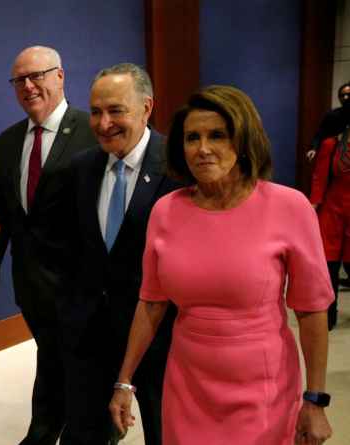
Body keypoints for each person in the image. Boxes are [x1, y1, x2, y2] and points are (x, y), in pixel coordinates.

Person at [109, 85, 334, 445]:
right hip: (187, 384)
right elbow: (151, 303)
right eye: (192, 138)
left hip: (263, 388)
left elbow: (312, 311)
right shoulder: (166, 211)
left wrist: (315, 400)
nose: (202, 149)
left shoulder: (290, 207)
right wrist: (124, 381)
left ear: (243, 142)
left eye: (218, 135)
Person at [61, 64, 180, 445]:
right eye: (95, 111)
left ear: (147, 108)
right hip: (92, 339)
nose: (103, 122)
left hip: (163, 341)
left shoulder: (180, 169)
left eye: (116, 110)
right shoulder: (80, 169)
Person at [0, 45, 96, 445]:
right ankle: (49, 427)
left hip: (82, 289)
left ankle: (76, 431)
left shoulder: (92, 131)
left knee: (81, 366)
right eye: (20, 80)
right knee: (51, 357)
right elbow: (2, 215)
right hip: (31, 286)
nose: (29, 86)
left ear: (61, 76)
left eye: (38, 76)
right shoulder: (8, 141)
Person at [310, 131, 350, 330]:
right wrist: (314, 204)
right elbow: (320, 176)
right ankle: (329, 317)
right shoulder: (331, 144)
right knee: (329, 267)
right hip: (332, 211)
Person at [306, 82, 350, 161]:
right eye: (342, 95)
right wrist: (314, 148)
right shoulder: (332, 115)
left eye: (348, 94)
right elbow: (320, 134)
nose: (345, 98)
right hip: (334, 157)